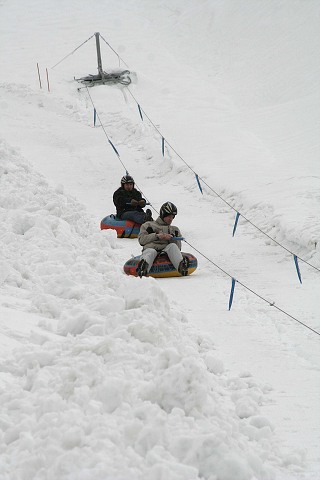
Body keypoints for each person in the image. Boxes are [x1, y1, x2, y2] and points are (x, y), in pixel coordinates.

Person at [137, 201, 189, 277]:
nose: (171, 219)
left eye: (172, 217)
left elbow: (178, 248)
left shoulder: (174, 229)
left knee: (172, 246)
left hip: (166, 251)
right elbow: (141, 240)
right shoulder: (148, 225)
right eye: (169, 216)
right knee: (150, 252)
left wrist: (172, 238)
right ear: (163, 215)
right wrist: (157, 236)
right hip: (151, 248)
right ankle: (143, 268)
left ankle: (182, 266)